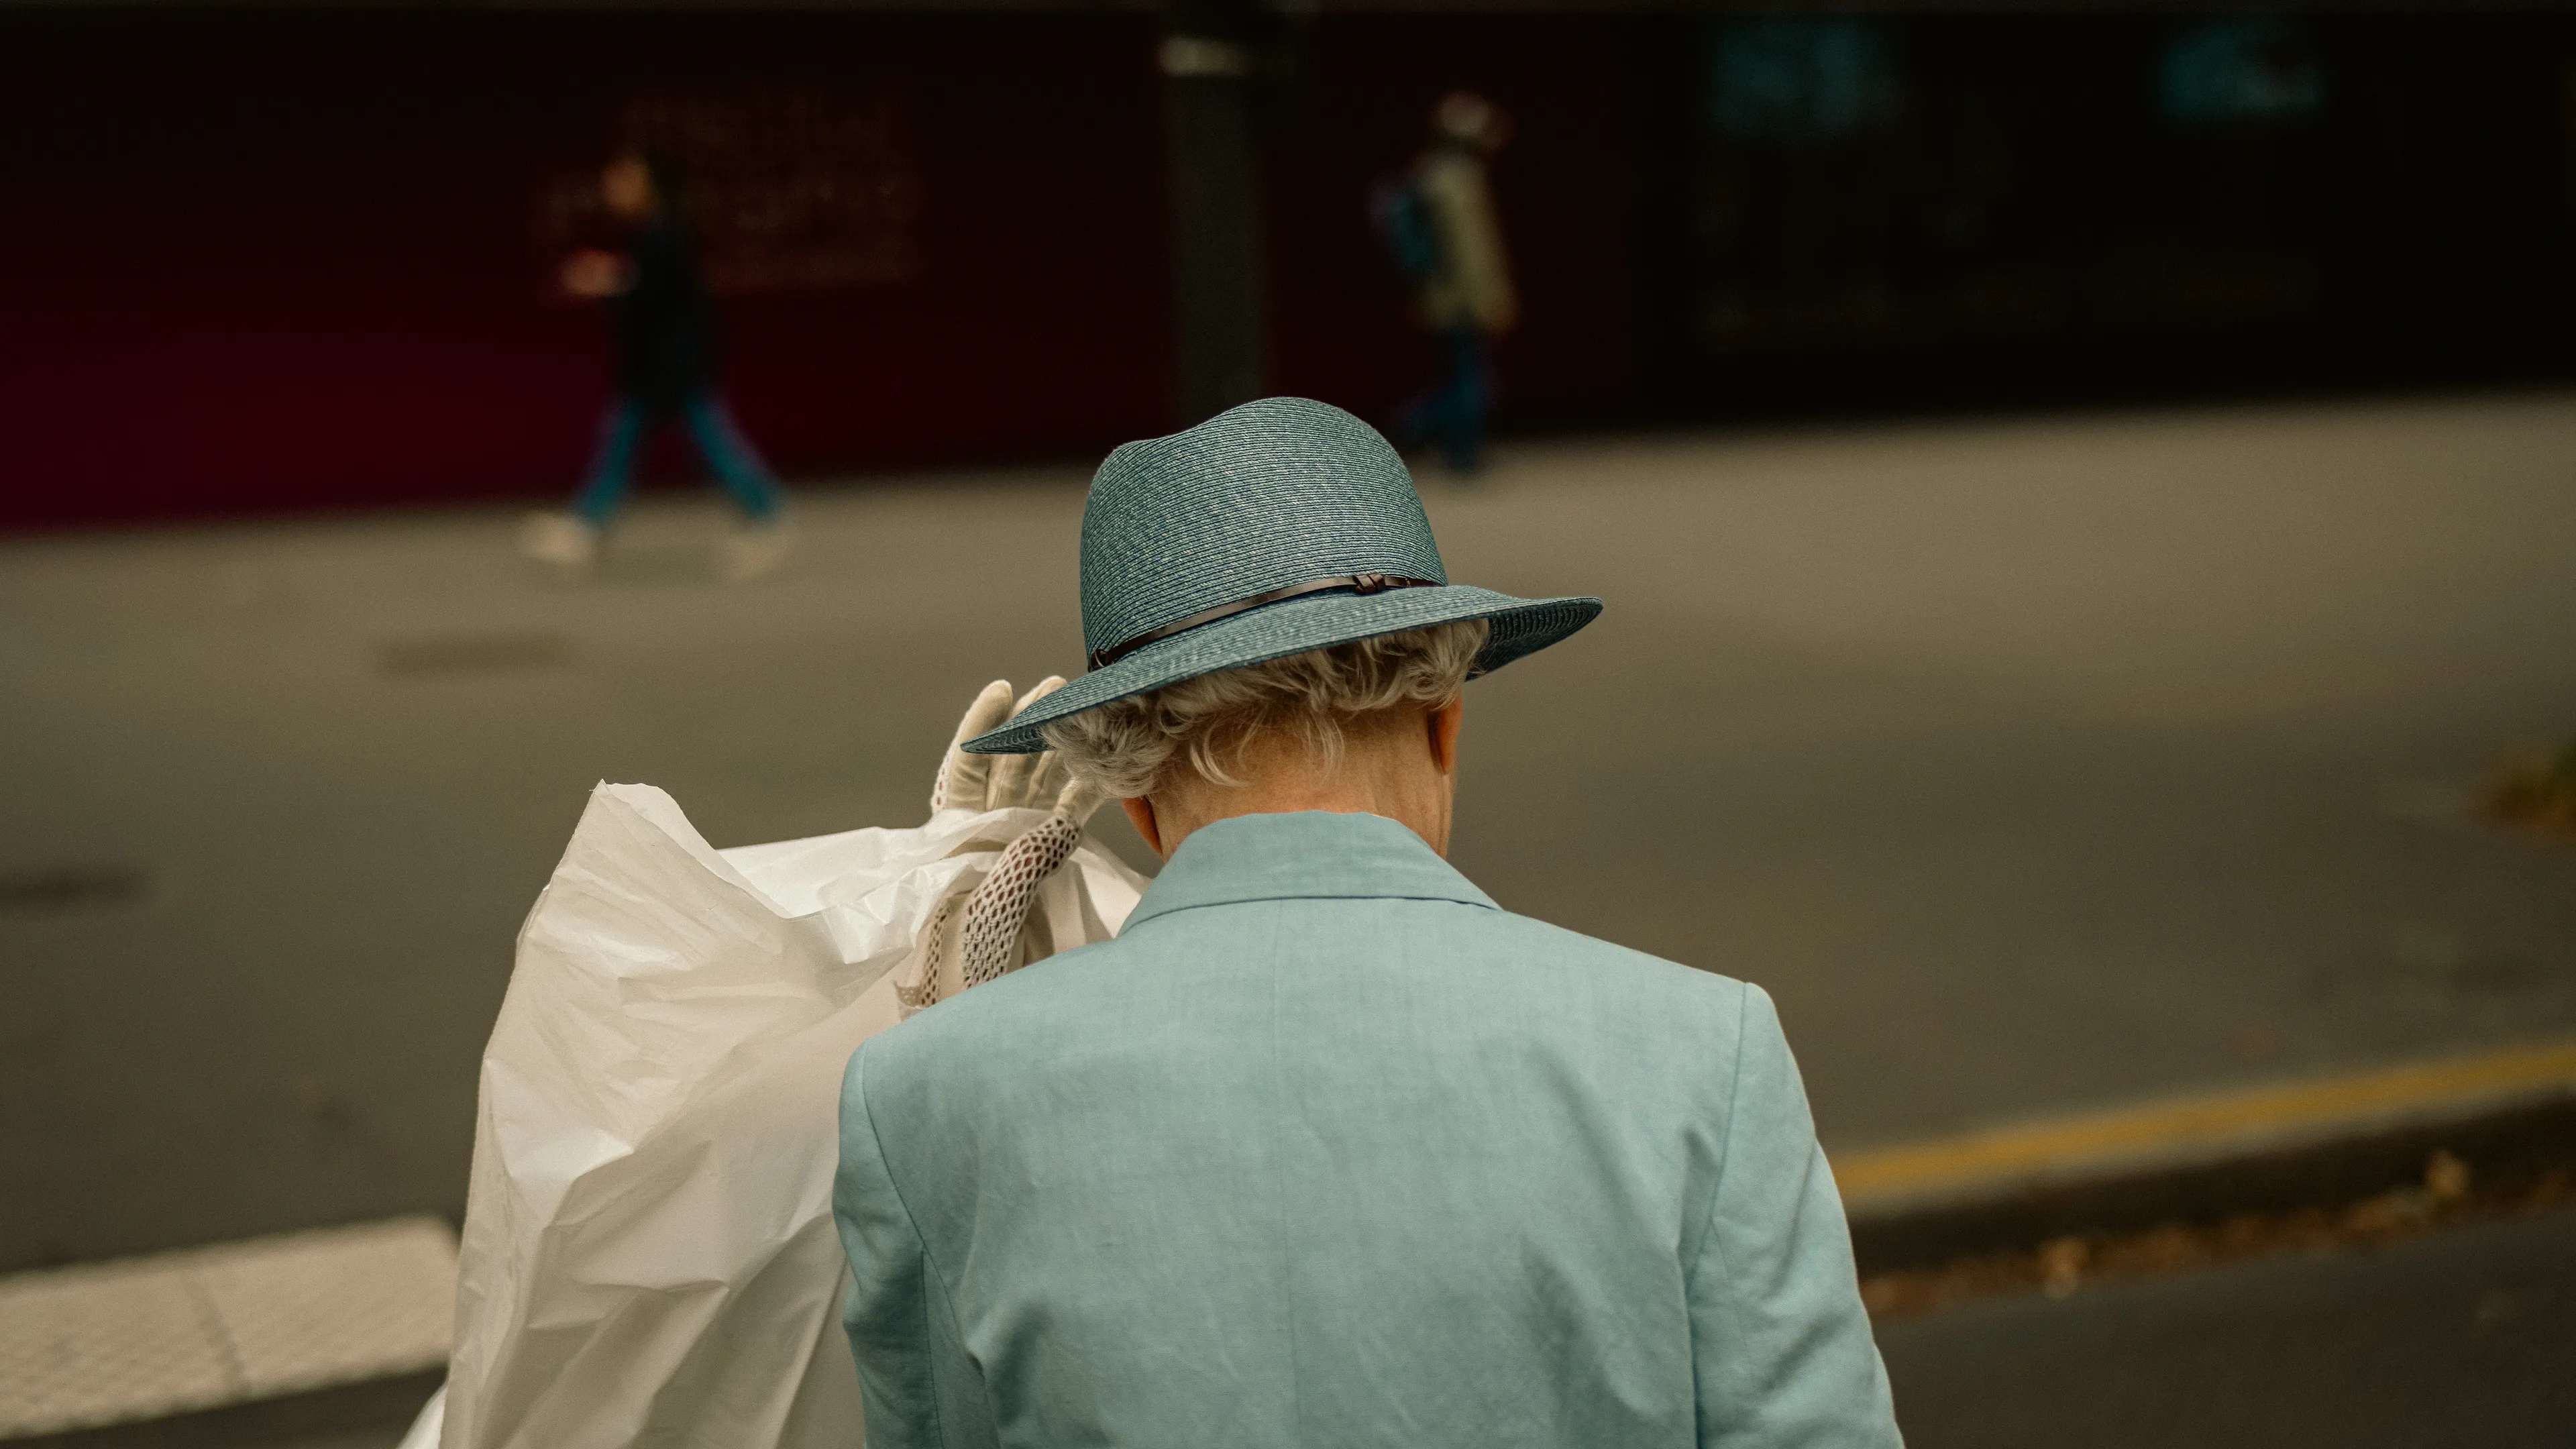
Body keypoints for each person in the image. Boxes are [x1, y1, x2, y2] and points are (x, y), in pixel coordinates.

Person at [833, 396, 1900, 1448]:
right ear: (1444, 724)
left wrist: (953, 1020)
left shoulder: (922, 1096)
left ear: (1138, 798)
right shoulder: (1705, 1057)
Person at [519, 151, 794, 583]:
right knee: (622, 446)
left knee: (710, 445)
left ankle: (767, 518)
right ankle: (587, 529)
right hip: (654, 368)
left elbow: (652, 300)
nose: (614, 189)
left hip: (672, 368)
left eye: (626, 180)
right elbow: (646, 289)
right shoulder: (651, 235)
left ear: (650, 188)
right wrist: (616, 279)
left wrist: (606, 283)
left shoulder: (664, 236)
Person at [1387, 91, 1519, 474]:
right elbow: (1469, 250)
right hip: (1460, 298)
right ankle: (1413, 431)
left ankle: (1459, 450)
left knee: (1461, 376)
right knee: (1470, 381)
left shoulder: (1432, 174)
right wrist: (1488, 296)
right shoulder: (1456, 180)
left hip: (1443, 295)